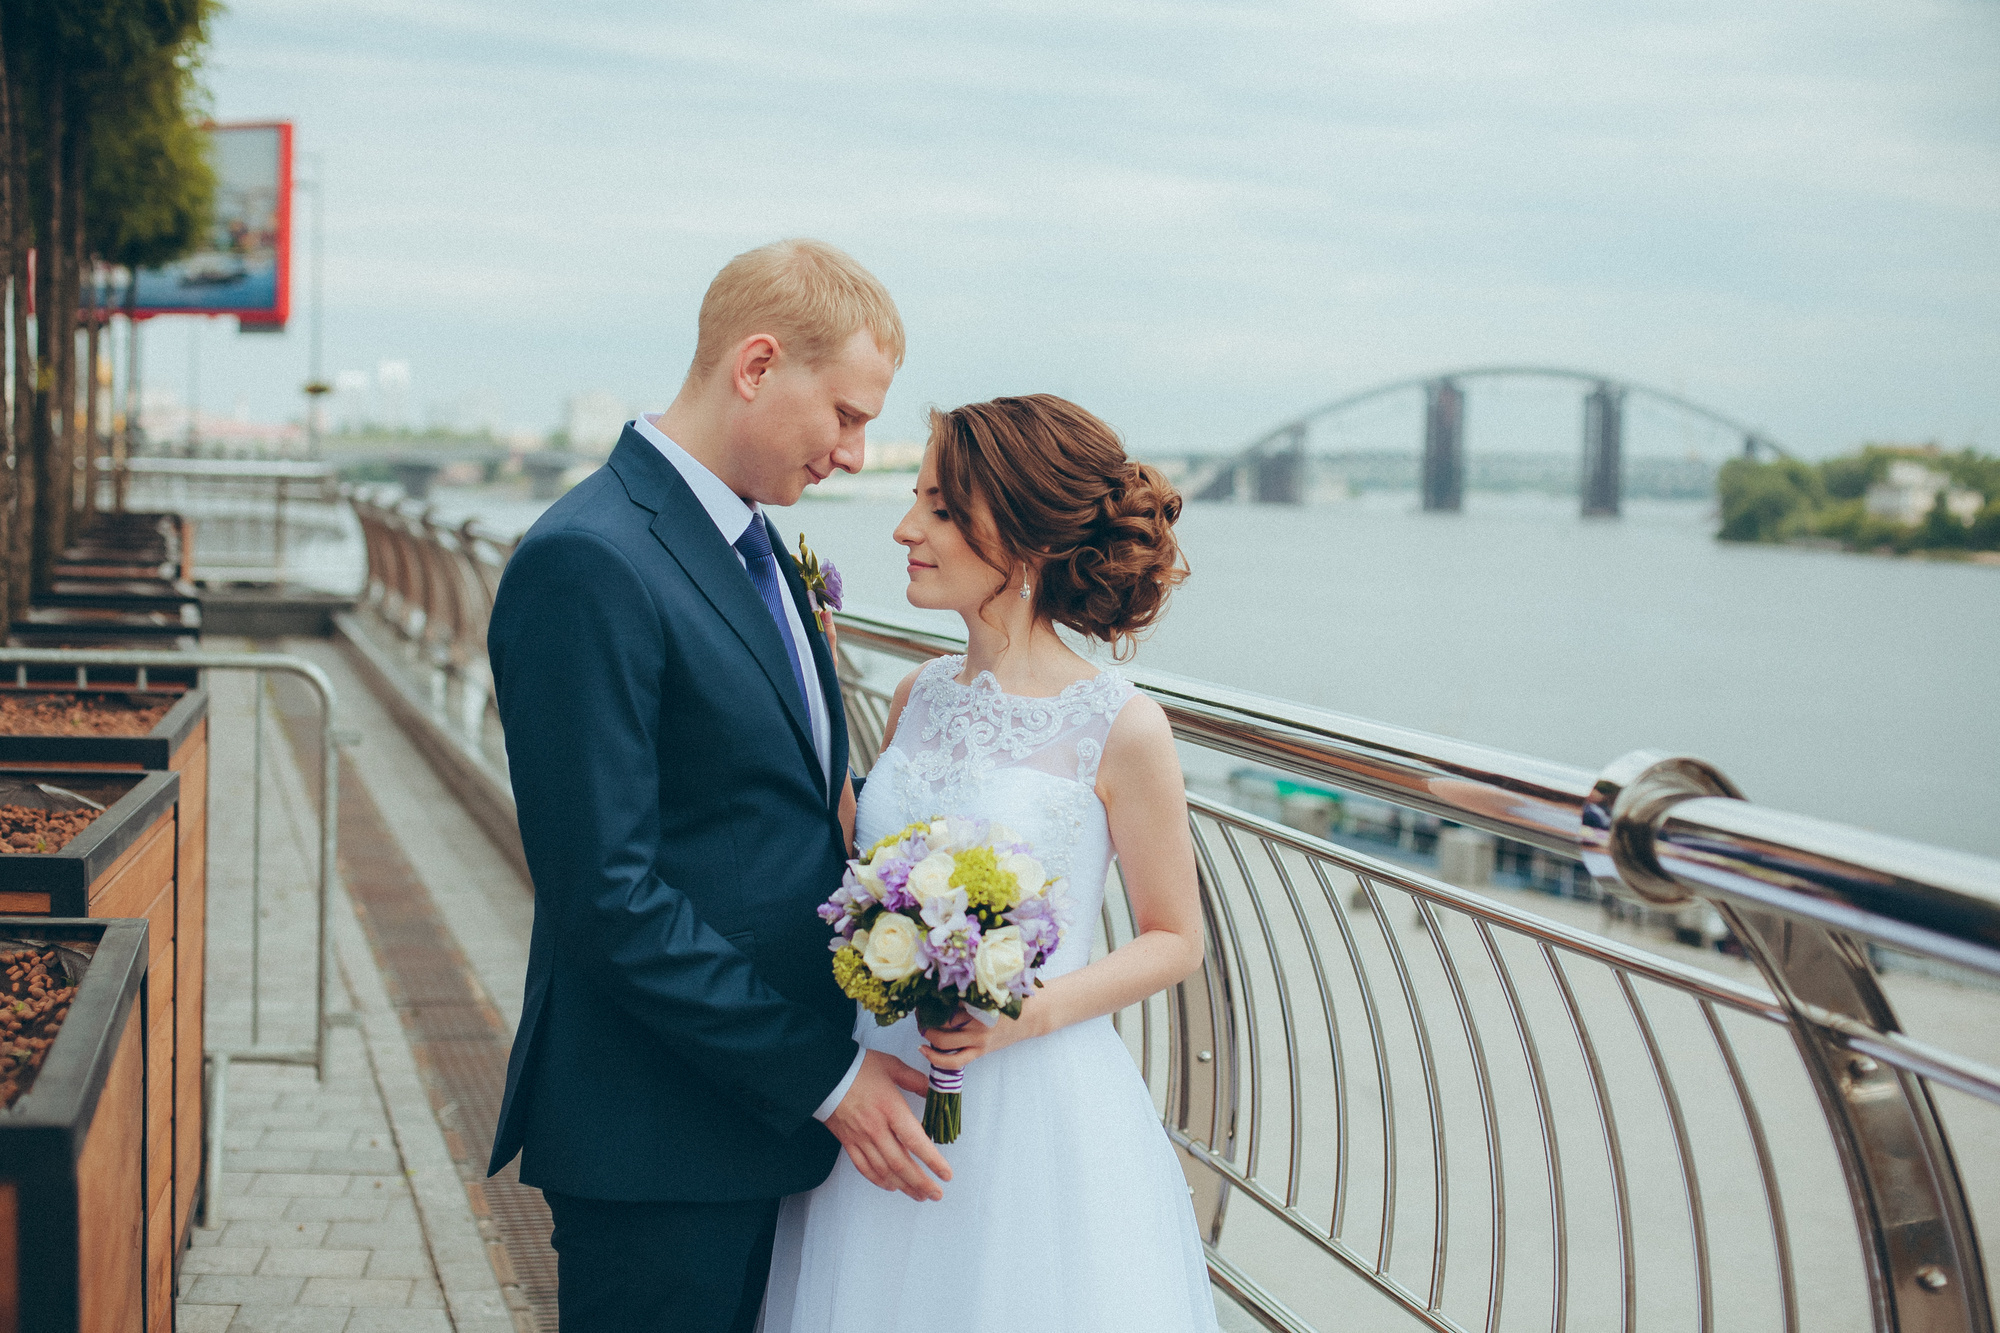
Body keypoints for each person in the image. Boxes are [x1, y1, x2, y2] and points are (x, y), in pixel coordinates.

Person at [485, 239, 952, 1332]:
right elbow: (605, 891)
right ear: (756, 365)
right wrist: (826, 1079)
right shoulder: (589, 558)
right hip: (657, 1135)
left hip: (756, 1125)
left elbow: (774, 803)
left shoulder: (758, 546)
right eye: (844, 415)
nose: (854, 454)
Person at [760, 395, 1222, 1332]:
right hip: (882, 1080)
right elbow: (863, 861)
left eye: (939, 508)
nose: (906, 529)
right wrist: (811, 685)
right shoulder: (918, 693)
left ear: (1026, 536)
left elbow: (1176, 937)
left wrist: (1020, 1016)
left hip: (1031, 1096)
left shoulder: (1121, 725)